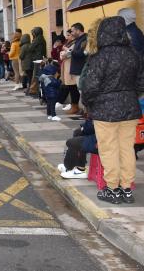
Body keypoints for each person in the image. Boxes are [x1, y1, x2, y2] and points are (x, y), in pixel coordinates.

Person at [81, 16, 144, 204]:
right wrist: (130, 96)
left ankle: (112, 189)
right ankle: (126, 188)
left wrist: (89, 103)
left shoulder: (100, 56)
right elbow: (141, 83)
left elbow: (90, 87)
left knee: (109, 149)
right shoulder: (134, 54)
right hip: (130, 109)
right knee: (126, 148)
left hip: (105, 110)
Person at [56, 31, 80, 115]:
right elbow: (62, 54)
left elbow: (69, 53)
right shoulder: (69, 43)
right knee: (70, 86)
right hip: (67, 66)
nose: (67, 37)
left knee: (73, 87)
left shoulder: (75, 43)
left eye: (69, 35)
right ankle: (73, 105)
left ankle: (75, 106)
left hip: (71, 67)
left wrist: (65, 51)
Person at [28, 27, 46, 96]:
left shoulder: (37, 39)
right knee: (38, 74)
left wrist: (33, 40)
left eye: (33, 32)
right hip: (41, 58)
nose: (32, 34)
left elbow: (30, 48)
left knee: (35, 74)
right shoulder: (41, 38)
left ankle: (33, 90)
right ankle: (36, 89)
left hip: (38, 59)